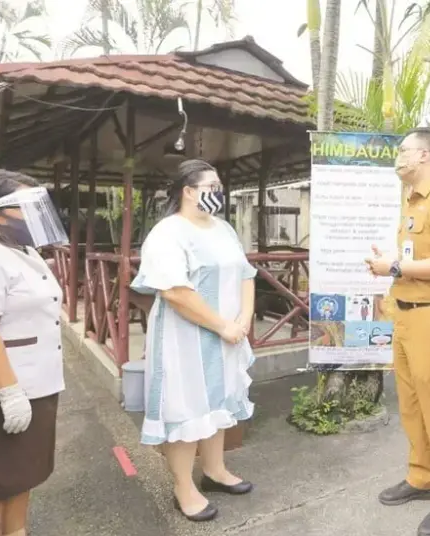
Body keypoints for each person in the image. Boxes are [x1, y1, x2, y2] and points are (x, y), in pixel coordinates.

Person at [131, 159, 257, 523]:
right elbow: (174, 292)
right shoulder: (168, 233)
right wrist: (222, 325)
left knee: (218, 402)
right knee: (185, 409)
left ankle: (215, 470)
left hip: (228, 335)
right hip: (184, 338)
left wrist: (243, 319)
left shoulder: (223, 229)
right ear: (189, 191)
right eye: (212, 186)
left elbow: (246, 273)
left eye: (219, 186)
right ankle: (183, 487)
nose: (219, 192)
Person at [365, 128, 430, 536]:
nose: (398, 157)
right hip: (407, 315)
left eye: (404, 151)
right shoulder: (411, 202)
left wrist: (394, 267)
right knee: (411, 406)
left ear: (424, 156)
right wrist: (393, 264)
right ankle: (422, 476)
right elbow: (413, 258)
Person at [0, 170, 68, 536]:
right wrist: (9, 392)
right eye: (26, 207)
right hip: (9, 389)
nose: (35, 215)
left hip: (39, 384)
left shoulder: (25, 251)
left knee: (24, 474)